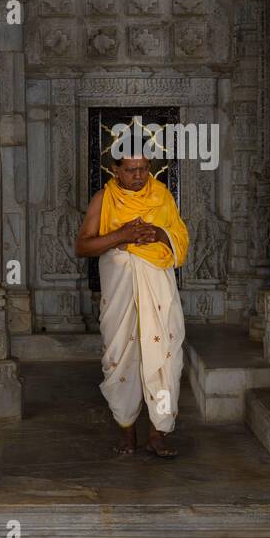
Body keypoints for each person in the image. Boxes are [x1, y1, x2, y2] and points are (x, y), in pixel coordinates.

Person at [75, 154, 189, 457]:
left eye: (143, 169)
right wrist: (120, 235)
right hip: (119, 294)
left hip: (159, 293)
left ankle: (159, 431)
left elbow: (180, 237)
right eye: (130, 170)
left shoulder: (162, 196)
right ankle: (126, 430)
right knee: (119, 358)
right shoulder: (104, 199)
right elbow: (83, 245)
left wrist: (159, 233)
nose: (138, 175)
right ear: (115, 170)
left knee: (164, 357)